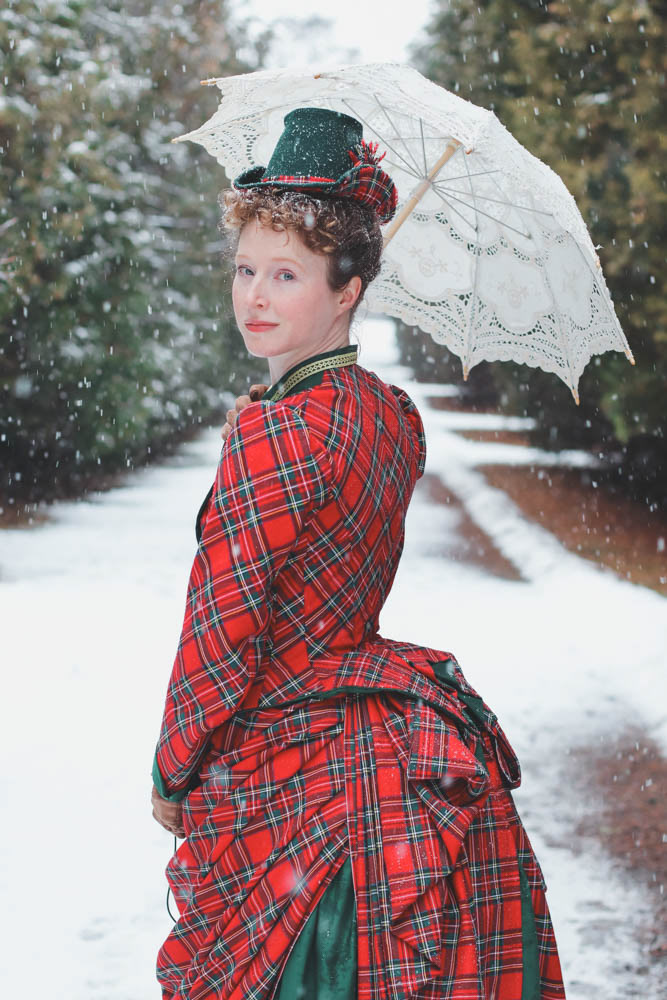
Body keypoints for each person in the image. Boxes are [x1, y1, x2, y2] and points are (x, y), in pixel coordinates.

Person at [151, 107, 566, 1000]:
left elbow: (222, 626)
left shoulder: (281, 431)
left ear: (348, 289)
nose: (254, 298)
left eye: (288, 275)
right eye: (246, 270)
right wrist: (262, 429)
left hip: (286, 757)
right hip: (374, 727)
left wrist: (173, 765)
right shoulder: (389, 416)